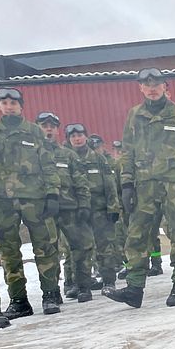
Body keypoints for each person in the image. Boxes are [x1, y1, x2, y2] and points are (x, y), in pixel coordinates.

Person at [105, 68, 175, 308]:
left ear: (165, 87)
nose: (152, 88)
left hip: (174, 186)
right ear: (140, 88)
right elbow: (128, 152)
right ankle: (134, 289)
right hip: (144, 187)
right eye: (147, 85)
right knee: (136, 236)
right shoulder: (134, 115)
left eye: (156, 84)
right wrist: (126, 183)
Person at [0, 87, 62, 318]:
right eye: (4, 103)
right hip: (2, 201)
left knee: (45, 247)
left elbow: (48, 164)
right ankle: (19, 300)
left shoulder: (34, 132)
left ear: (21, 106)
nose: (9, 106)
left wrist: (53, 193)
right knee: (9, 251)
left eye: (13, 102)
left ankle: (50, 294)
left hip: (35, 199)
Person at [36, 112, 96, 303]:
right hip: (44, 210)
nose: (48, 129)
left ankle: (83, 286)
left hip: (70, 209)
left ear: (57, 130)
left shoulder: (67, 154)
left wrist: (85, 204)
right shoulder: (32, 153)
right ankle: (52, 293)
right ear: (38, 127)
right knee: (48, 251)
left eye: (52, 126)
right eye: (44, 125)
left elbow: (81, 181)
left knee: (82, 247)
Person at [66, 123, 122, 292]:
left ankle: (109, 281)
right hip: (76, 212)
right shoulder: (65, 158)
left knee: (106, 247)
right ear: (68, 139)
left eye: (80, 135)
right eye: (73, 136)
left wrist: (113, 208)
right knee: (79, 249)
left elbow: (110, 185)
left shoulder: (98, 159)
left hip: (99, 210)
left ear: (86, 137)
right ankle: (81, 284)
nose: (77, 138)